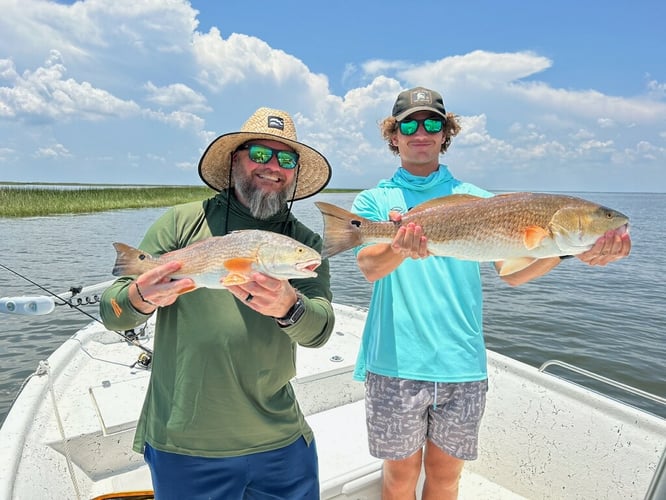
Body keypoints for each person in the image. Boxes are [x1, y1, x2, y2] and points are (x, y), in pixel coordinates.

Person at [351, 87, 631, 499]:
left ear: (446, 133)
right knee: (398, 479)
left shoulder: (483, 201)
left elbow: (513, 274)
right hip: (395, 362)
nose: (421, 132)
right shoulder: (376, 200)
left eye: (433, 123)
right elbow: (369, 267)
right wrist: (399, 245)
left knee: (446, 480)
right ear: (394, 135)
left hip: (462, 364)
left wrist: (568, 251)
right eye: (409, 123)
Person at [100, 107, 335, 500]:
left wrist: (290, 307)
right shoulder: (180, 223)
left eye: (286, 158)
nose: (273, 166)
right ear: (234, 160)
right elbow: (112, 313)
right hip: (184, 443)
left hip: (280, 440)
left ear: (295, 172)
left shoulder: (304, 245)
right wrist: (140, 296)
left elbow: (321, 331)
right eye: (260, 154)